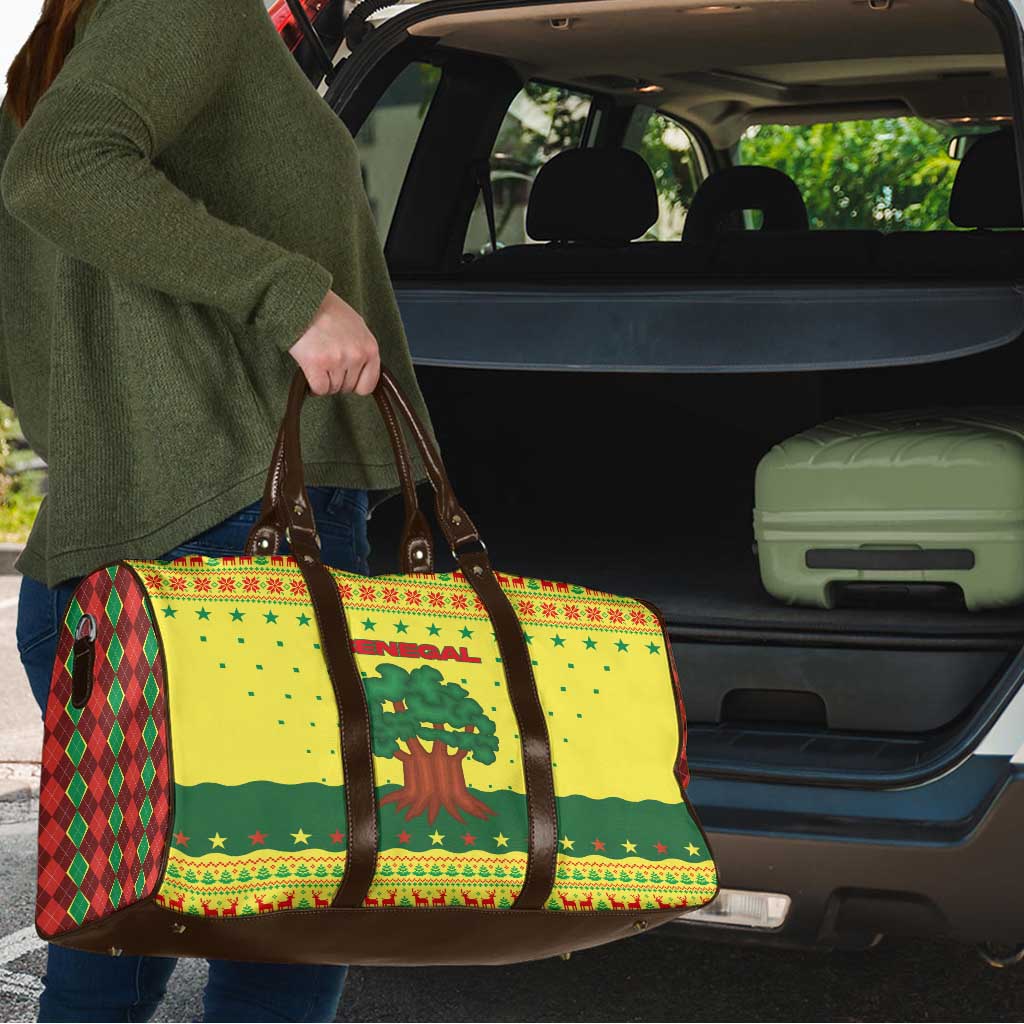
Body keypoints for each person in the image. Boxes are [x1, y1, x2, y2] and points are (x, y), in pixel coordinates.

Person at [0, 0, 435, 1019]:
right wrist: (293, 295)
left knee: (115, 941)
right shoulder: (184, 8)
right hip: (241, 540)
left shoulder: (55, 58)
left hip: (108, 548)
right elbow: (59, 172)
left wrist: (106, 434)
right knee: (283, 928)